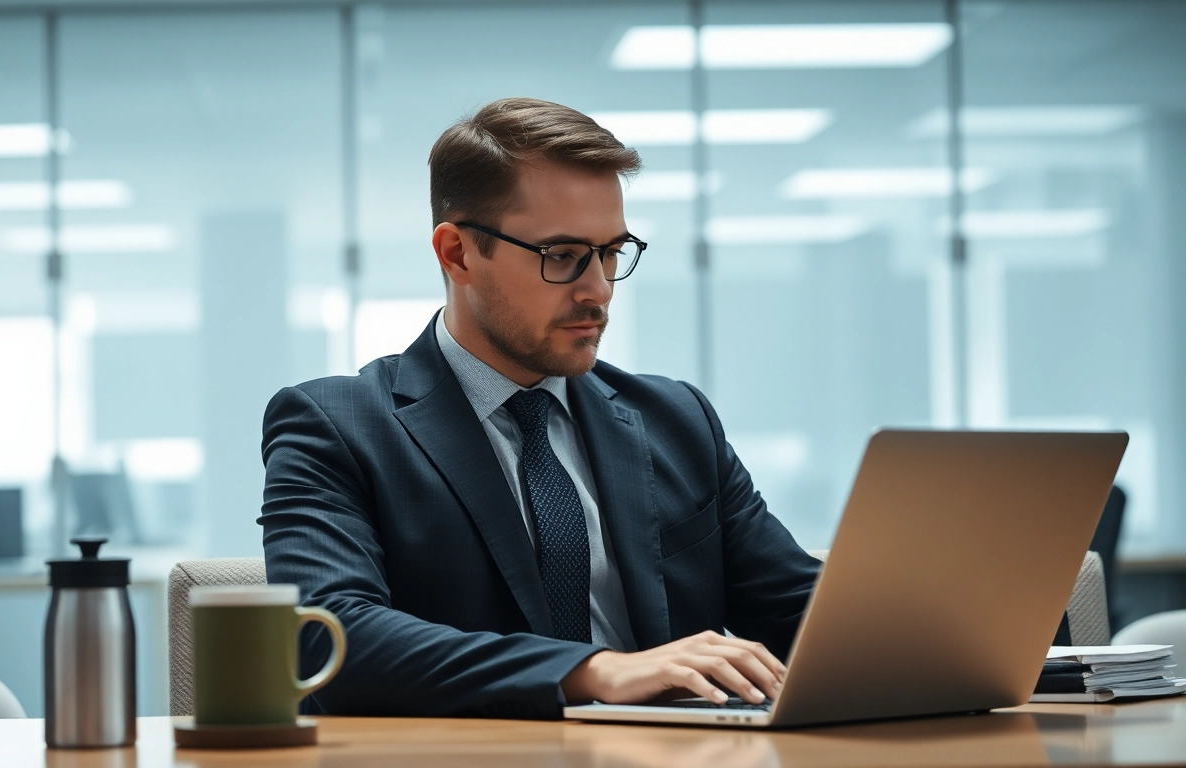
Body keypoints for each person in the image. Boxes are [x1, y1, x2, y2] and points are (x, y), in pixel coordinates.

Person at [260, 97, 822, 719]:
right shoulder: (336, 425)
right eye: (563, 256)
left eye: (611, 251)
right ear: (457, 253)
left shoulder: (676, 417)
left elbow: (804, 612)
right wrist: (596, 671)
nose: (599, 289)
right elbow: (327, 638)